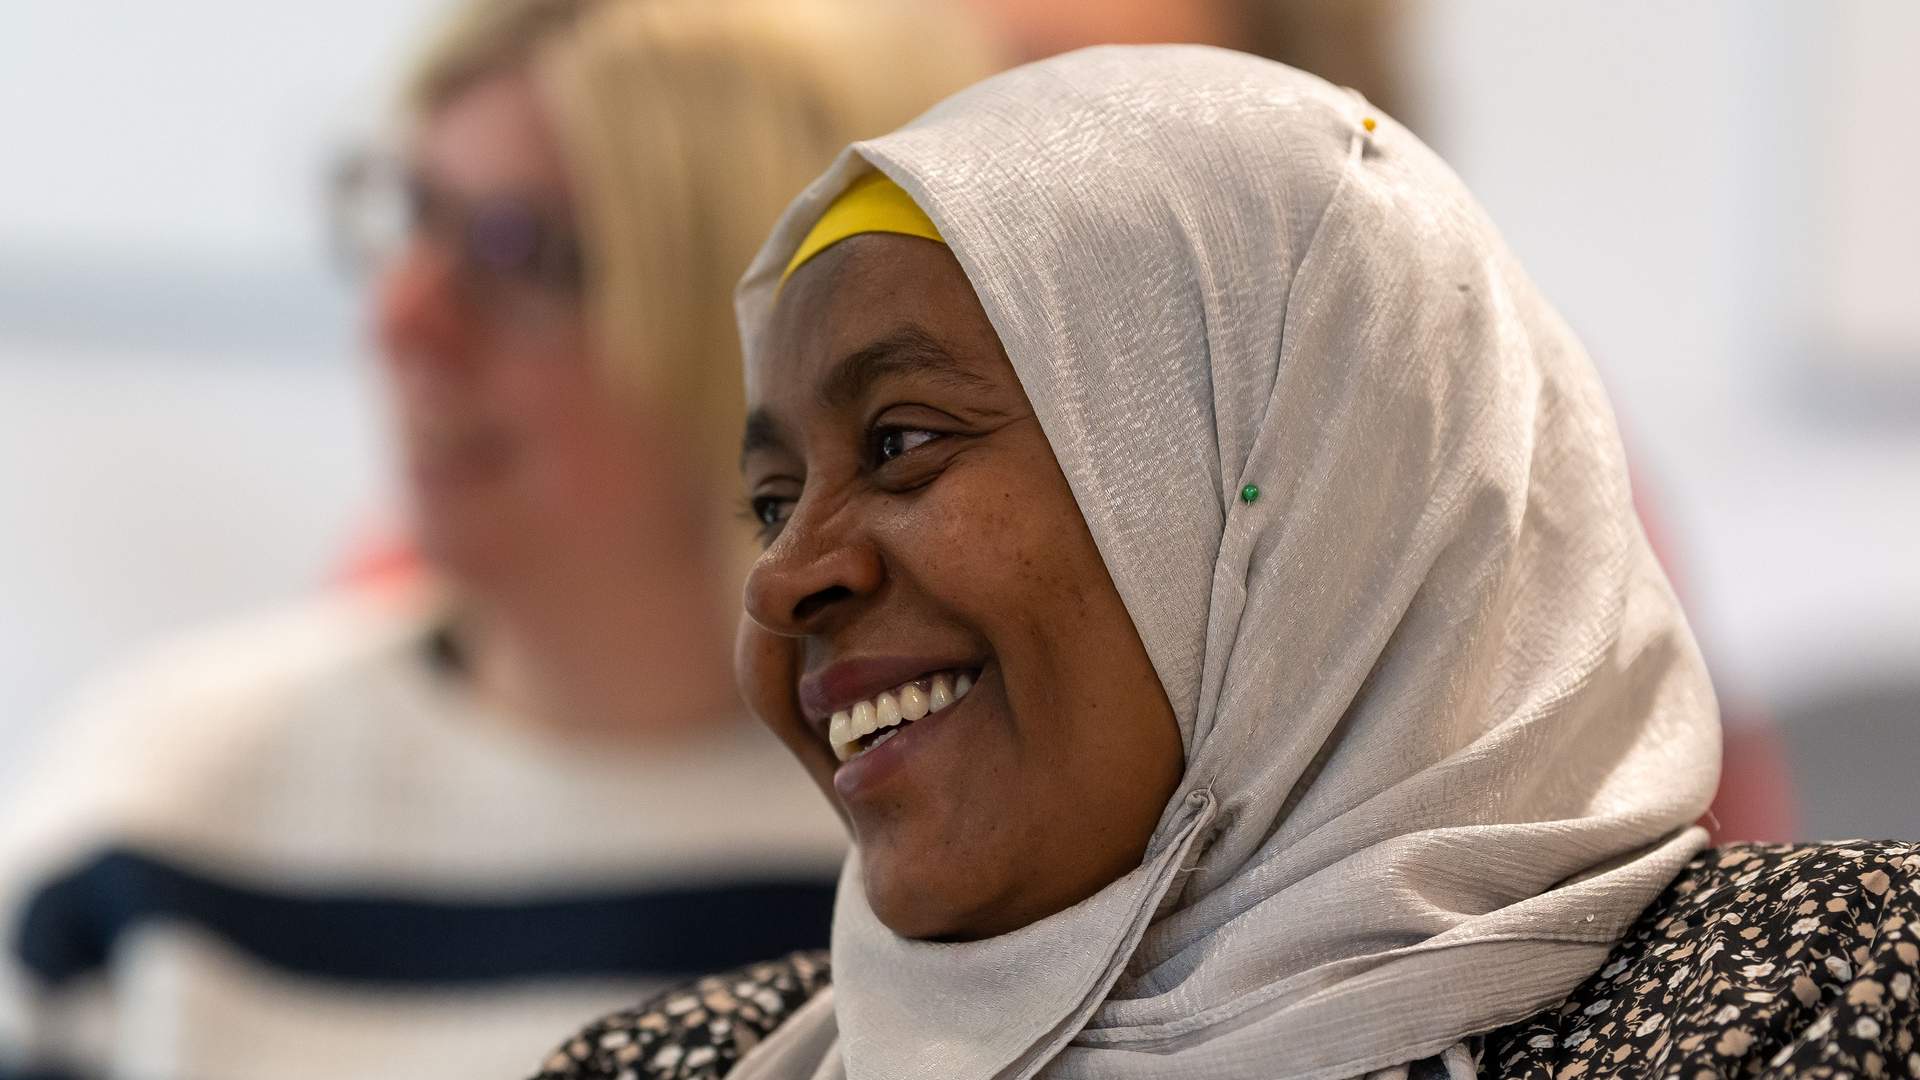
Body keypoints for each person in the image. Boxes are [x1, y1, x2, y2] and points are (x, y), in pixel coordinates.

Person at [534, 46, 1920, 1080]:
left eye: (901, 441)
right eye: (769, 503)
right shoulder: (676, 1065)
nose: (785, 581)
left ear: (1299, 491)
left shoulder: (1802, 1001)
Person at [0, 2, 998, 1077]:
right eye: (413, 214)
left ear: (786, 330)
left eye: (517, 250)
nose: (405, 315)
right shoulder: (160, 804)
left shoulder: (951, 846)